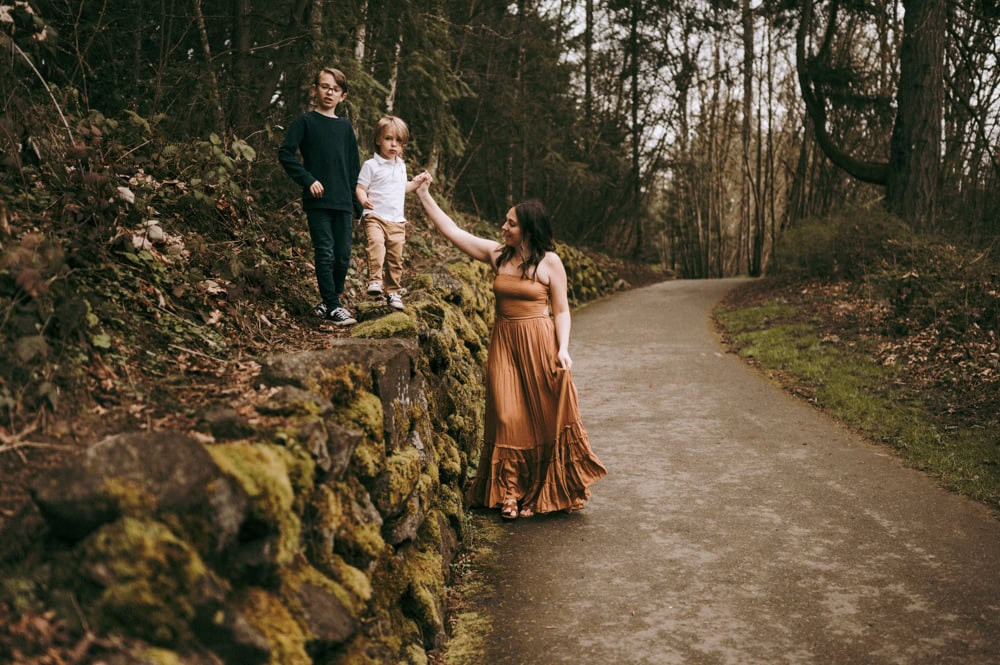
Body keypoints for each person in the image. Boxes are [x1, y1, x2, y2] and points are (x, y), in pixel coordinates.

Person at [416, 179, 607, 519]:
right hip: (504, 342)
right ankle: (509, 492)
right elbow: (452, 231)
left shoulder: (550, 263)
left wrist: (563, 348)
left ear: (528, 230)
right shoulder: (497, 255)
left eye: (511, 223)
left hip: (540, 342)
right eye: (504, 222)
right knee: (506, 415)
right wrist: (424, 194)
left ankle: (538, 492)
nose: (503, 227)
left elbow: (561, 310)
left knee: (542, 418)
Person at [279, 66, 361, 327]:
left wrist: (357, 203)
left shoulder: (346, 128)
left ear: (342, 96)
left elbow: (353, 167)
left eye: (335, 89)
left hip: (343, 203)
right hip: (318, 202)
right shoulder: (305, 122)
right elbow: (286, 154)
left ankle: (329, 301)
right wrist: (308, 179)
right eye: (325, 86)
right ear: (315, 89)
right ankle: (335, 306)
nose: (329, 92)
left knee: (342, 255)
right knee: (324, 252)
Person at [355, 116, 430, 311]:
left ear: (403, 145)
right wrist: (364, 200)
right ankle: (375, 281)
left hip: (397, 221)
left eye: (399, 141)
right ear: (379, 140)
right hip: (375, 216)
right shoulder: (371, 165)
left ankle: (393, 292)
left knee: (396, 258)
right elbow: (360, 187)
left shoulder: (401, 166)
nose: (393, 144)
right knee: (377, 246)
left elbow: (401, 188)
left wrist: (417, 182)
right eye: (389, 139)